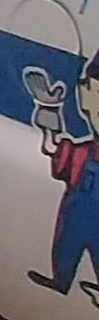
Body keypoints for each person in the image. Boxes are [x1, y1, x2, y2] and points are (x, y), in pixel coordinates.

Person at [26, 54, 99, 301]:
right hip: (77, 208)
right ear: (85, 95)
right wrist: (48, 118)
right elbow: (52, 149)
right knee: (67, 243)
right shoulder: (84, 151)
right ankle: (61, 280)